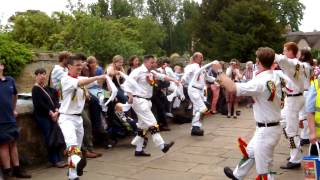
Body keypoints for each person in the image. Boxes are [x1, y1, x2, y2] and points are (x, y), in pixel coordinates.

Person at [221, 47, 283, 180]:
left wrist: (220, 72)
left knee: (265, 170)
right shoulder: (274, 76)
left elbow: (232, 88)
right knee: (250, 152)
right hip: (269, 127)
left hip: (267, 130)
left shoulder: (260, 82)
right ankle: (238, 175)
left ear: (258, 62)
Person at [58, 54, 106, 180]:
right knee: (72, 146)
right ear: (69, 66)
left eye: (81, 64)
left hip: (78, 119)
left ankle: (72, 174)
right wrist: (96, 76)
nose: (80, 67)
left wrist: (108, 76)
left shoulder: (79, 78)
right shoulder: (66, 79)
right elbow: (81, 82)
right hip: (67, 118)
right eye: (77, 65)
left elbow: (95, 81)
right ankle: (77, 168)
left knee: (76, 149)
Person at [123, 55, 176, 156]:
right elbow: (126, 84)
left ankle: (138, 150)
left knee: (143, 127)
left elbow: (162, 77)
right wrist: (129, 95)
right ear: (146, 62)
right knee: (153, 123)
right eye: (152, 62)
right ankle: (161, 145)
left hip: (147, 101)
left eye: (154, 62)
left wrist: (175, 80)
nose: (154, 64)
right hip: (139, 101)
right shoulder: (137, 71)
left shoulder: (151, 72)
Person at [276, 42, 309, 169]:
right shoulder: (297, 64)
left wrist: (270, 55)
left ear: (291, 51)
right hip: (294, 97)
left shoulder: (293, 63)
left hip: (293, 99)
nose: (283, 52)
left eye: (285, 50)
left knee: (291, 130)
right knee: (282, 122)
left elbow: (282, 60)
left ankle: (295, 159)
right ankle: (295, 150)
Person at [0, 61, 31, 179]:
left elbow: (15, 95)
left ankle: (17, 170)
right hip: (0, 120)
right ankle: (8, 172)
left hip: (10, 117)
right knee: (3, 145)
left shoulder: (10, 80)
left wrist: (13, 109)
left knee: (13, 143)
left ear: (2, 66)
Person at [31, 68, 66, 168]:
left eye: (44, 74)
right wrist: (51, 113)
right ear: (36, 76)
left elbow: (54, 100)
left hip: (53, 115)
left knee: (55, 137)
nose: (43, 76)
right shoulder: (35, 89)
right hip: (43, 117)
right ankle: (54, 159)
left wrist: (56, 110)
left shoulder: (46, 88)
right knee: (49, 137)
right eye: (40, 74)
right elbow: (39, 104)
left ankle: (58, 158)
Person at [183, 52, 215, 136]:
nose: (202, 59)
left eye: (202, 57)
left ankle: (196, 127)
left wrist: (217, 80)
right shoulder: (191, 66)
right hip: (193, 89)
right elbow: (186, 74)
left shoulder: (202, 68)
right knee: (204, 107)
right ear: (195, 58)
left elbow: (207, 77)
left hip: (201, 90)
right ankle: (195, 126)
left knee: (199, 109)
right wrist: (182, 80)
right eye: (201, 57)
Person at [298, 48, 313, 146]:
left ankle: (305, 137)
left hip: (305, 92)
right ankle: (305, 136)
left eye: (299, 54)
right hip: (307, 91)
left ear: (303, 56)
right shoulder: (308, 65)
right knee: (304, 115)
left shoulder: (303, 65)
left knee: (303, 116)